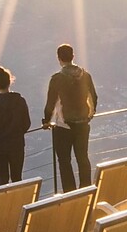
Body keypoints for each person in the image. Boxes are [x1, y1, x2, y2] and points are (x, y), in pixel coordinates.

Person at [41, 42, 98, 193]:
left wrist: (46, 121)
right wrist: (89, 115)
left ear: (59, 58)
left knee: (64, 161)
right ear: (73, 56)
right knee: (83, 158)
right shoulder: (85, 75)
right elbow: (94, 97)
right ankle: (86, 190)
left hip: (63, 126)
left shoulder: (57, 79)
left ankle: (70, 194)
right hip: (83, 124)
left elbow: (50, 103)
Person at [0, 66, 30, 186]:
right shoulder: (20, 100)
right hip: (16, 144)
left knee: (2, 180)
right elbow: (27, 123)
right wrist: (18, 133)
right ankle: (18, 203)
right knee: (17, 178)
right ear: (10, 82)